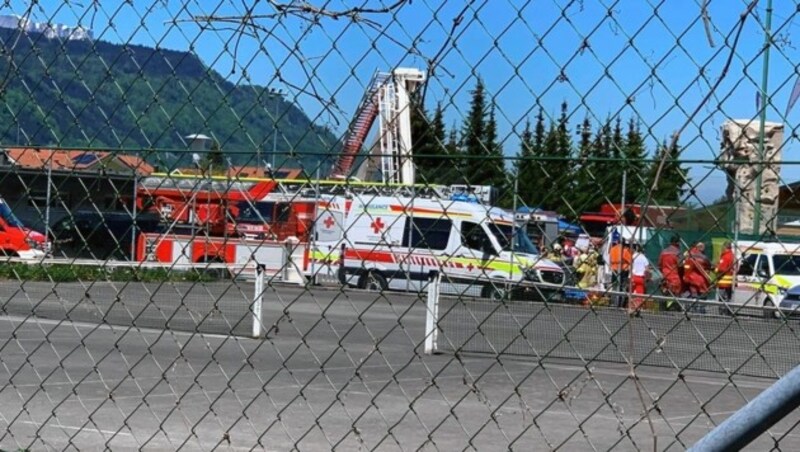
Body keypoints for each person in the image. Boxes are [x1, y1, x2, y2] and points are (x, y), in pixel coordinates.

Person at [684, 241, 711, 311]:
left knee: (693, 296)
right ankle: (701, 311)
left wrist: (686, 277)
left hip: (692, 280)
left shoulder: (689, 255)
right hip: (702, 280)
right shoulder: (704, 258)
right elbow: (709, 267)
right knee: (702, 297)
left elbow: (686, 267)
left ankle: (693, 310)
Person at [659, 235, 683, 311]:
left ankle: (663, 310)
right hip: (674, 278)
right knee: (675, 296)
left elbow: (659, 264)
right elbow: (681, 265)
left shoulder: (663, 252)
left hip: (665, 277)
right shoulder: (678, 252)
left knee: (664, 295)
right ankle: (673, 310)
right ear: (678, 243)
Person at [608, 238, 632, 308]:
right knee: (622, 287)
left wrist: (611, 267)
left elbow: (610, 259)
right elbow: (630, 261)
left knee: (614, 286)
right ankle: (619, 304)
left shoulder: (612, 249)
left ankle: (612, 302)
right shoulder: (624, 250)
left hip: (614, 270)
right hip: (622, 271)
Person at [629, 243, 650, 314]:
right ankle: (637, 308)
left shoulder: (633, 256)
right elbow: (647, 270)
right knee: (639, 294)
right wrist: (647, 279)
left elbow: (630, 266)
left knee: (632, 292)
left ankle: (631, 307)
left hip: (633, 276)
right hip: (641, 278)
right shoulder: (645, 258)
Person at [715, 241, 735, 313]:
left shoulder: (725, 256)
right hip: (730, 282)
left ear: (725, 247)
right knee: (728, 298)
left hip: (723, 281)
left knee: (722, 298)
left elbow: (722, 268)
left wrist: (716, 269)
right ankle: (727, 311)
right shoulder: (733, 256)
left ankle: (722, 312)